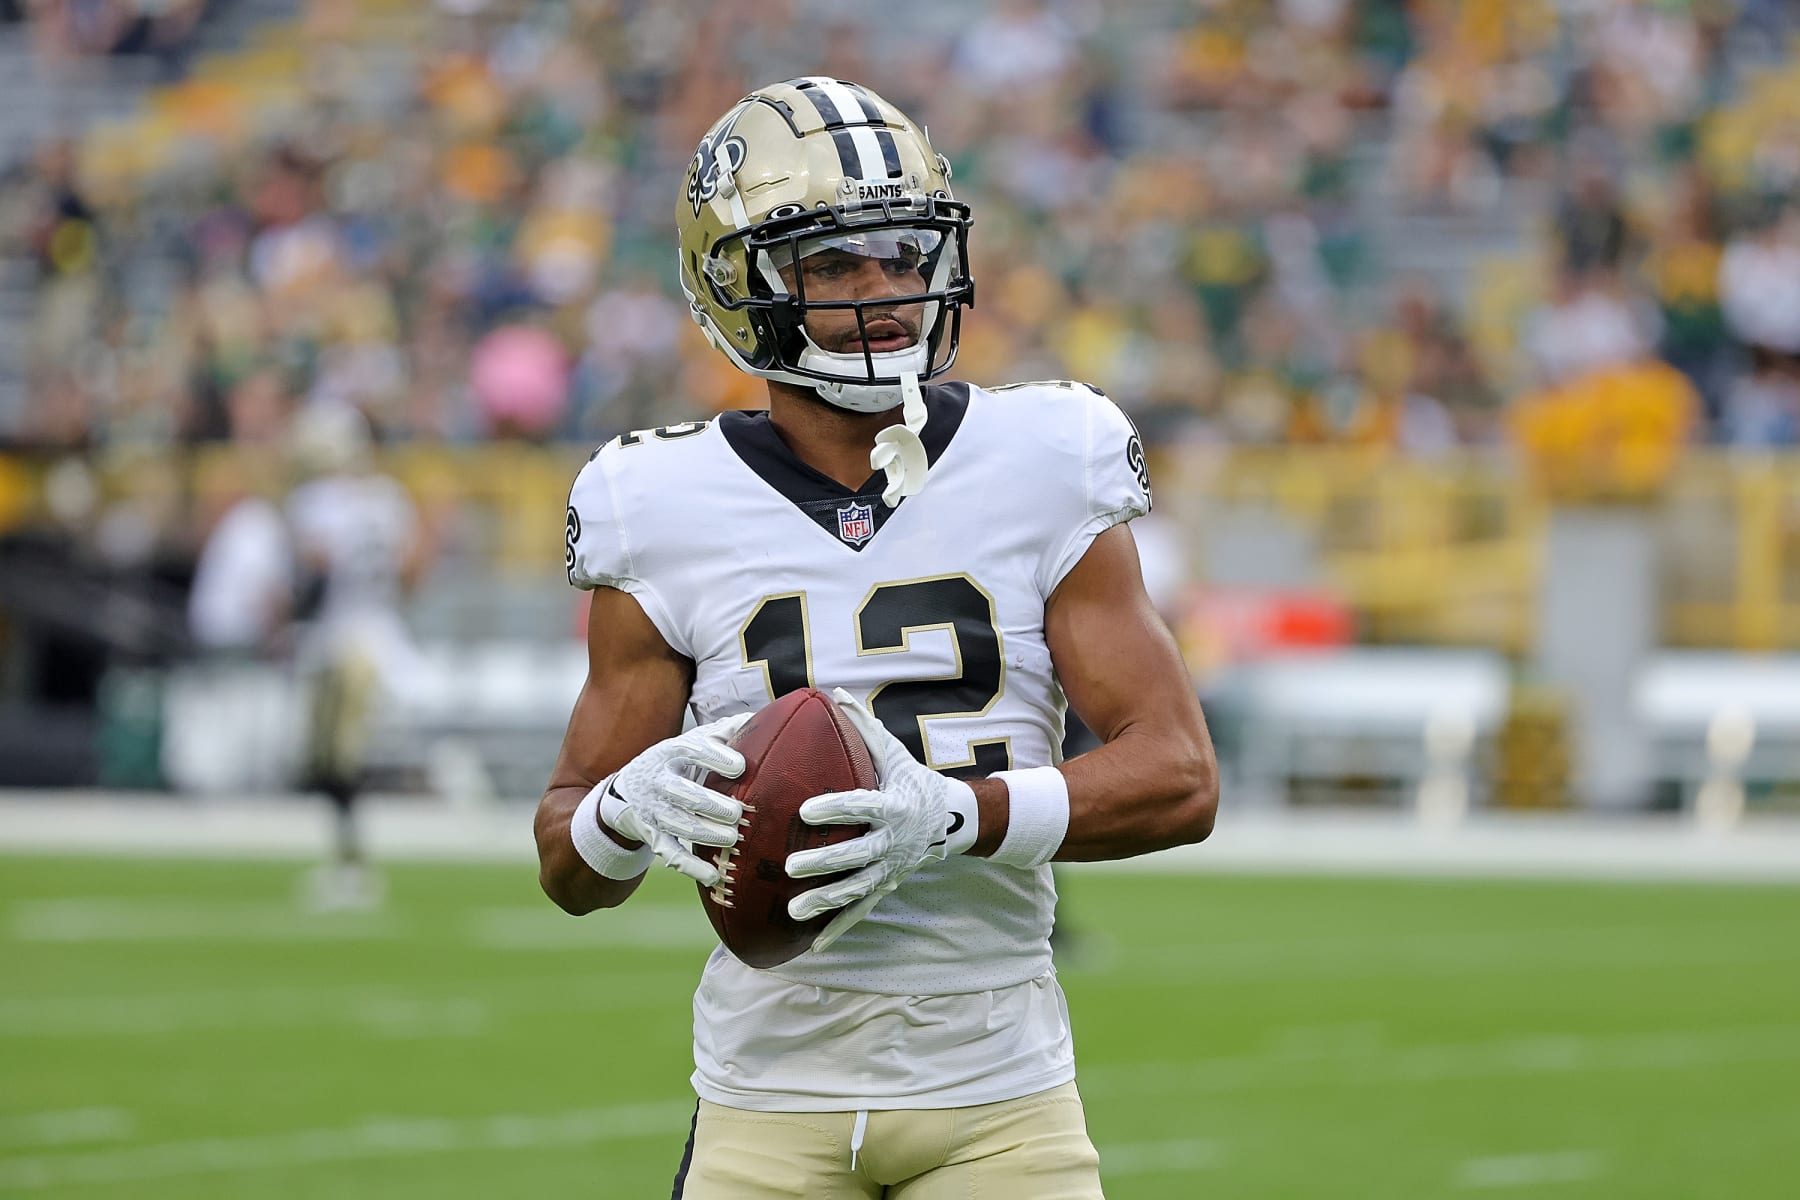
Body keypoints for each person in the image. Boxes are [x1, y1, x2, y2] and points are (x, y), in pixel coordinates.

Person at [533, 78, 1217, 1199]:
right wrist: (625, 809)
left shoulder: (1048, 454)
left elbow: (1180, 779)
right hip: (765, 1103)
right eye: (835, 264)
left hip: (1002, 1096)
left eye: (903, 253)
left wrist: (954, 816)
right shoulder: (652, 499)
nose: (887, 291)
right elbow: (568, 863)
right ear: (739, 286)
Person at [285, 402, 426, 910]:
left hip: (338, 637)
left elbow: (312, 578)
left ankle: (350, 862)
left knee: (333, 760)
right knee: (343, 757)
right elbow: (411, 570)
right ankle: (349, 859)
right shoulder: (388, 499)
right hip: (384, 633)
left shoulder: (314, 502)